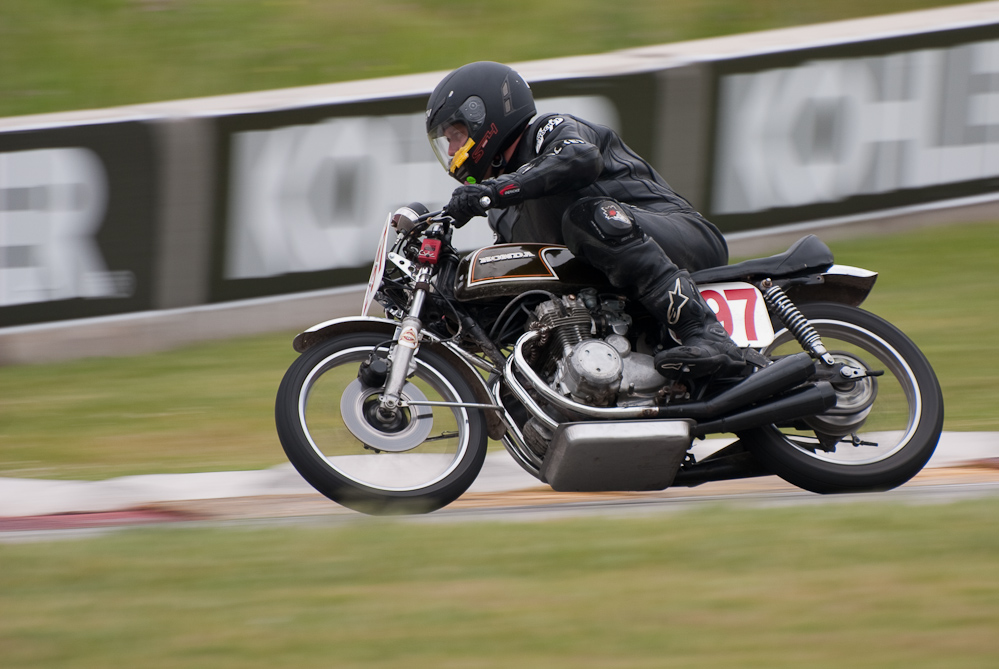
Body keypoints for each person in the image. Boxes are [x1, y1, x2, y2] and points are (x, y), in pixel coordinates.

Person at [426, 61, 747, 378]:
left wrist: (491, 191)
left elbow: (579, 158)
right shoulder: (501, 212)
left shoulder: (546, 132)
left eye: (457, 135)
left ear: (485, 118)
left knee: (588, 217)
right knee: (516, 383)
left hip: (684, 239)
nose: (453, 151)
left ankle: (705, 332)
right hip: (619, 283)